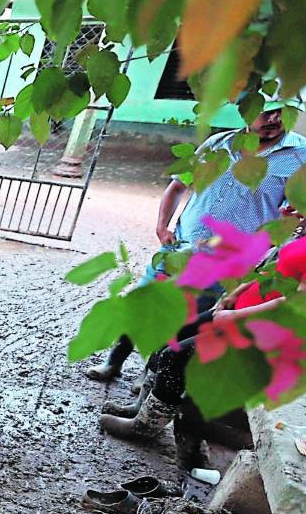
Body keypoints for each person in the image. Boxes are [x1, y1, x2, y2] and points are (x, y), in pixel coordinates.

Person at [86, 94, 306, 381]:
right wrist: (162, 226)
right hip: (181, 246)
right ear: (245, 110)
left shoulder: (299, 156)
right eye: (266, 112)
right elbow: (177, 186)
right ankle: (114, 361)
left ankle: (149, 376)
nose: (275, 119)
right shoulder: (219, 145)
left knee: (186, 322)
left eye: (282, 112)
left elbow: (296, 211)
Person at [100, 236, 306, 441]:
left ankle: (145, 426)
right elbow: (274, 271)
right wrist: (235, 293)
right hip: (237, 308)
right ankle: (142, 408)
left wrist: (237, 315)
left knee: (174, 357)